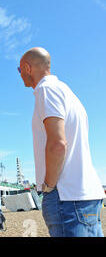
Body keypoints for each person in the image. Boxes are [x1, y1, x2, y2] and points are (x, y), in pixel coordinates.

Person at [18, 47, 105, 237]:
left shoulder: (46, 90)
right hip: (86, 193)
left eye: (19, 70)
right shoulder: (67, 92)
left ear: (27, 68)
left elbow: (58, 143)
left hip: (67, 196)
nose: (20, 74)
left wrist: (48, 186)